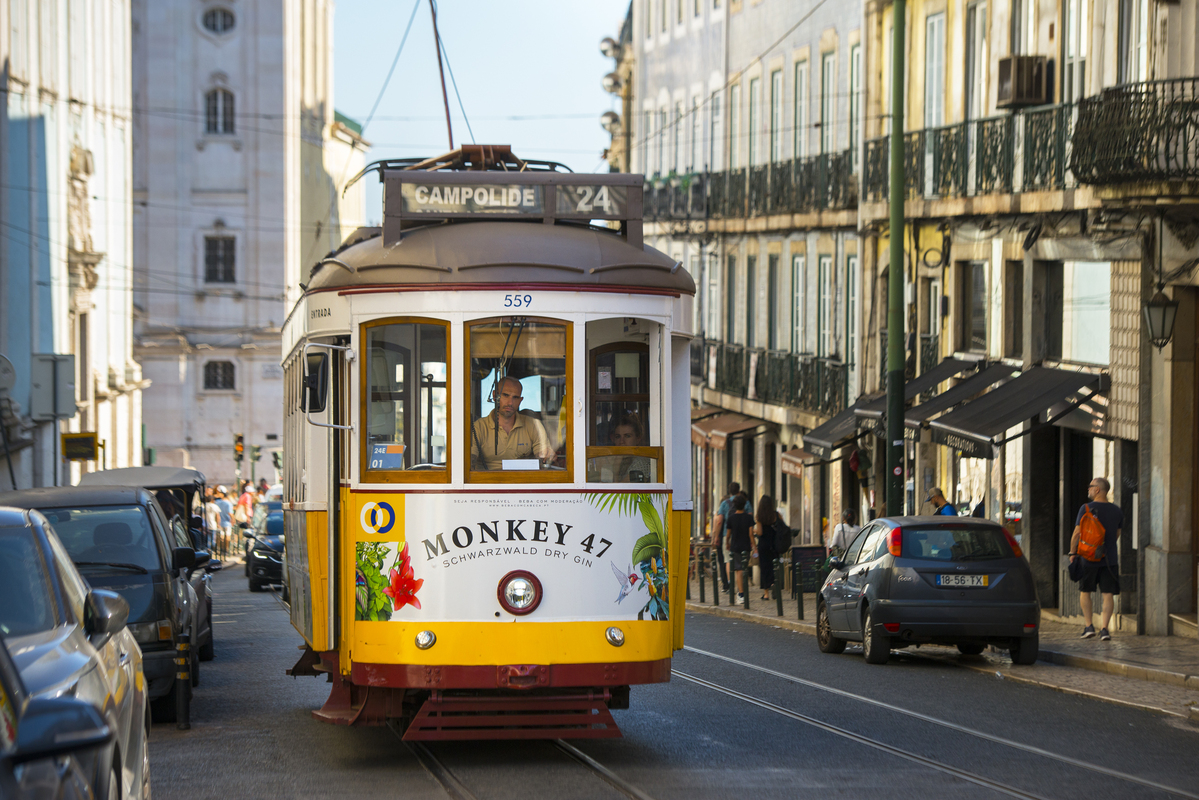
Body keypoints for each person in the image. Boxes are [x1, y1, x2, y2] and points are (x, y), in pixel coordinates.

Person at [1068, 477, 1123, 641]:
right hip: (1110, 559)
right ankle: (1105, 629)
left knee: (1085, 591)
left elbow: (1077, 533)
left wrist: (1072, 553)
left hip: (1088, 558)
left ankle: (1089, 626)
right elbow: (1116, 535)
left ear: (1097, 489)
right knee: (1108, 594)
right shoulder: (1117, 510)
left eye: (1090, 486)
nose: (1089, 490)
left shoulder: (1086, 508)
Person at [471, 375, 553, 470]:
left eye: (515, 397)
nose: (510, 402)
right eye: (505, 395)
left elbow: (544, 459)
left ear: (520, 400)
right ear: (494, 396)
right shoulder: (479, 427)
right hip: (487, 482)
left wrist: (545, 456)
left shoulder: (533, 425)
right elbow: (468, 463)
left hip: (523, 481)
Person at [724, 495, 754, 602]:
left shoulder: (731, 518)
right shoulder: (749, 518)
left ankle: (741, 594)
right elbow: (751, 534)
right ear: (744, 505)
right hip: (746, 546)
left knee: (739, 570)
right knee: (744, 568)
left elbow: (728, 535)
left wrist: (727, 543)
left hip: (735, 546)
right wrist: (754, 546)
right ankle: (742, 591)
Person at [609, 412, 652, 482]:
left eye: (627, 436)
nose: (621, 441)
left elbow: (620, 491)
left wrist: (615, 469)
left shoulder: (641, 463)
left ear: (638, 438)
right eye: (618, 436)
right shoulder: (623, 461)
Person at [753, 495, 781, 600]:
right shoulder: (776, 515)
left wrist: (753, 530)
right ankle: (774, 584)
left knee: (765, 568)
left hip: (764, 545)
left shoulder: (759, 517)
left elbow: (760, 532)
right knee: (774, 566)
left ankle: (766, 593)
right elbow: (782, 527)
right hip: (774, 544)